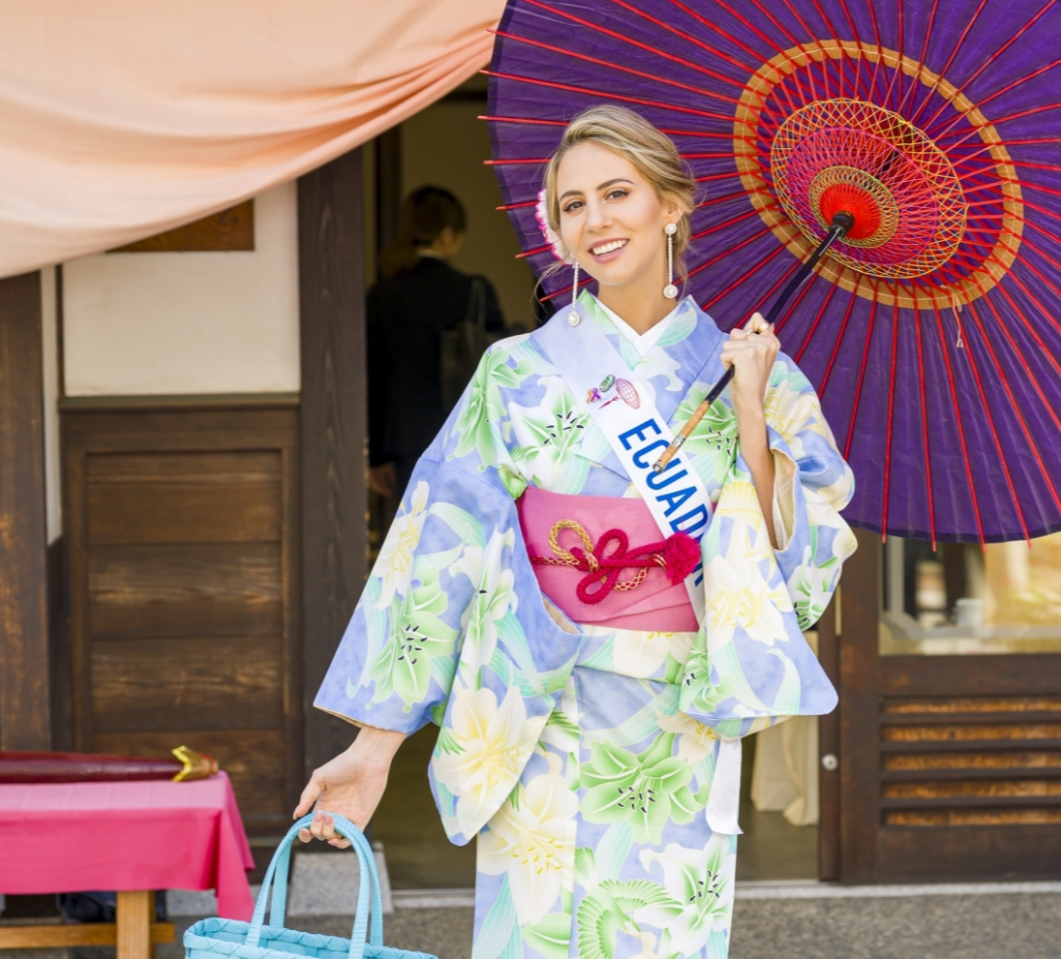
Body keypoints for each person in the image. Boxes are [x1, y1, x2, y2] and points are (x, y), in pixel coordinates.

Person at [296, 106, 857, 959]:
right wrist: (373, 747)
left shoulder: (759, 377)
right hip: (539, 722)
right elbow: (435, 549)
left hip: (676, 731)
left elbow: (806, 578)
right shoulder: (517, 374)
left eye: (617, 193)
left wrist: (749, 421)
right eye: (570, 205)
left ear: (672, 206)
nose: (594, 220)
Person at [366, 185, 505, 513]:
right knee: (466, 532)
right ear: (446, 234)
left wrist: (377, 456)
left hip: (406, 439)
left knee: (412, 537)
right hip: (469, 434)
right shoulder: (474, 290)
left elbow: (373, 376)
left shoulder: (383, 295)